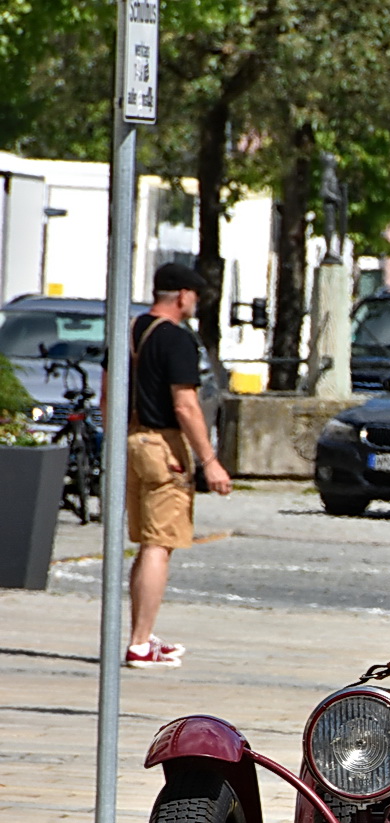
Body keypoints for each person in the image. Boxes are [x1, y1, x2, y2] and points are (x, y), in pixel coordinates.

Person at [124, 264, 232, 670]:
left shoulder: (131, 330)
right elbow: (186, 405)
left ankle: (142, 636)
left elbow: (107, 392)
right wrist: (209, 461)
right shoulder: (177, 339)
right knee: (158, 545)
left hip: (133, 440)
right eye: (195, 297)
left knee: (146, 542)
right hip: (163, 445)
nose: (195, 305)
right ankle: (138, 643)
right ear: (182, 295)